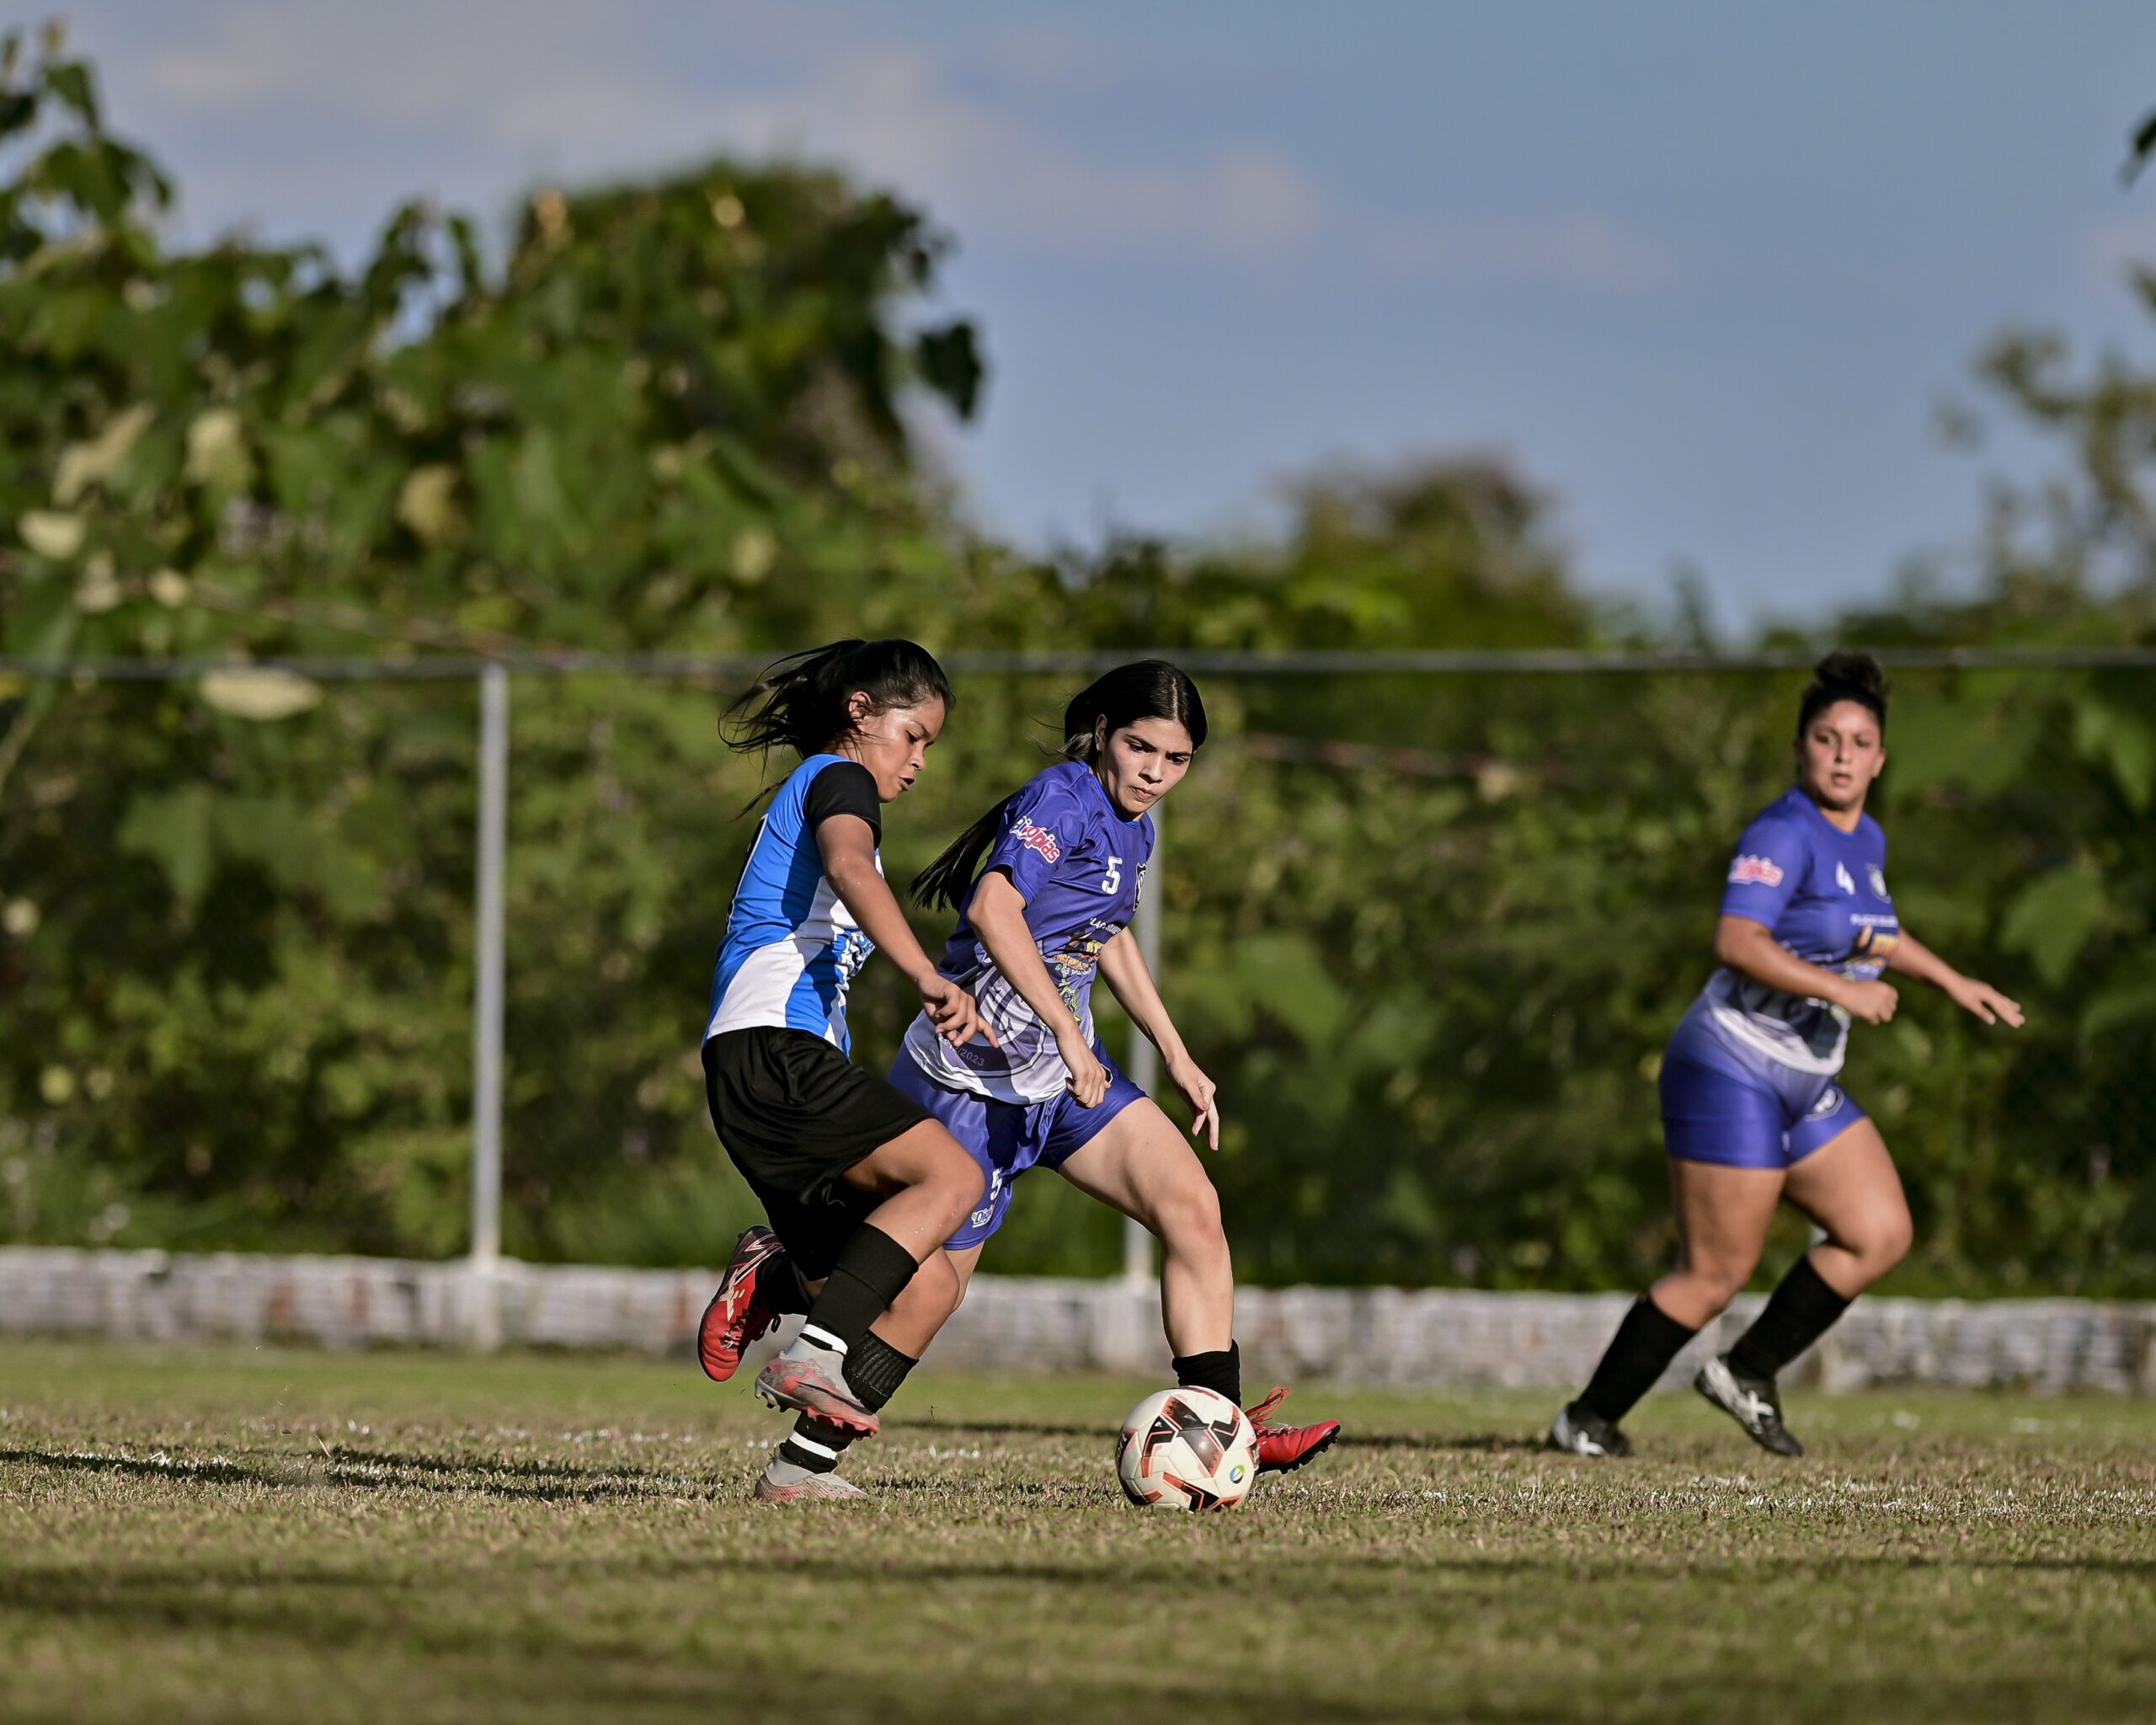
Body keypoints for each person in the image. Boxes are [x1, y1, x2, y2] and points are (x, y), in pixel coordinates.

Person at [707, 661, 1340, 1499]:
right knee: (924, 1291)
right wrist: (1067, 1035)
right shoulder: (1060, 798)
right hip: (972, 1083)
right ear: (1102, 733)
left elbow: (1104, 932)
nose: (1154, 771)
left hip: (1065, 1085)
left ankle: (1222, 1428)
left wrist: (1175, 1051)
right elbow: (994, 910)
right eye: (1140, 747)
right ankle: (792, 1366)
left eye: (1177, 758)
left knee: (1192, 1207)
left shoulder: (1135, 828)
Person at [1548, 651, 2025, 1459]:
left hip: (1804, 1076)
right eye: (1826, 738)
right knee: (1714, 1273)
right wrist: (1845, 992)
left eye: (1859, 742)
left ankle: (1746, 1372)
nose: (1842, 755)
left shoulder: (1864, 837)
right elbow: (1738, 940)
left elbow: (1874, 933)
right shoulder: (1782, 832)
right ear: (1801, 749)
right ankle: (1586, 1421)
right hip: (1732, 1065)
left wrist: (1953, 980)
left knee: (1878, 1232)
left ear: (1880, 760)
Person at [693, 638, 995, 1502]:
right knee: (953, 1176)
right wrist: (926, 974)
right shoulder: (839, 777)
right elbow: (849, 865)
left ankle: (798, 1469)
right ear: (859, 712)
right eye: (912, 735)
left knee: (930, 1286)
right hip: (772, 1049)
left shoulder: (832, 783)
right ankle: (814, 1351)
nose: (920, 760)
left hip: (758, 1068)